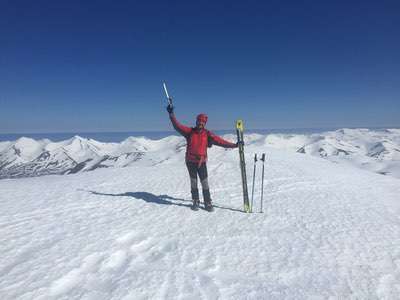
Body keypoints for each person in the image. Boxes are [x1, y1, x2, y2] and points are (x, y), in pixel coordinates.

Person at [167, 103, 238, 211]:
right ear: (196, 121)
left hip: (201, 162)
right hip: (190, 161)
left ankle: (207, 202)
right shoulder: (189, 132)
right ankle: (195, 201)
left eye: (202, 122)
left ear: (204, 124)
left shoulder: (208, 134)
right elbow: (177, 126)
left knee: (204, 182)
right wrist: (171, 114)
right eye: (199, 121)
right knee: (194, 182)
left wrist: (234, 145)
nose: (200, 123)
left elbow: (220, 141)